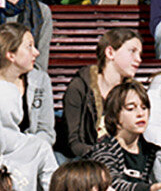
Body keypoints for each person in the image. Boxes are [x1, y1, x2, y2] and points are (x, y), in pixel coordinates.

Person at [61, 28, 143, 162]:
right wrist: (103, 155)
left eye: (140, 54)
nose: (138, 59)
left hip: (121, 159)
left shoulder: (133, 92)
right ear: (110, 52)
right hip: (84, 159)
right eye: (132, 51)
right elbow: (74, 142)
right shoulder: (80, 87)